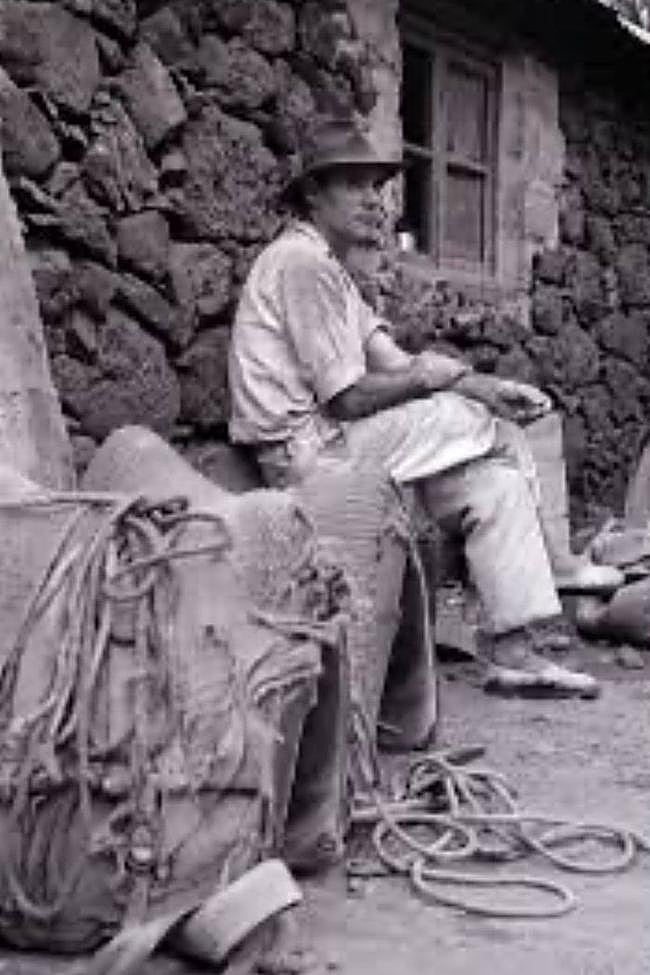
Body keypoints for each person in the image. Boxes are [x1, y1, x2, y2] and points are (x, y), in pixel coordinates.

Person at [228, 119, 623, 698]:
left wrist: (477, 383)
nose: (373, 200)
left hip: (342, 448)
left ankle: (514, 655)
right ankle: (557, 561)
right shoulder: (300, 264)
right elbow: (348, 399)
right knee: (480, 424)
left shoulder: (332, 272)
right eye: (354, 185)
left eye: (377, 186)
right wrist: (441, 384)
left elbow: (391, 358)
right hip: (304, 456)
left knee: (495, 483)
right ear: (313, 194)